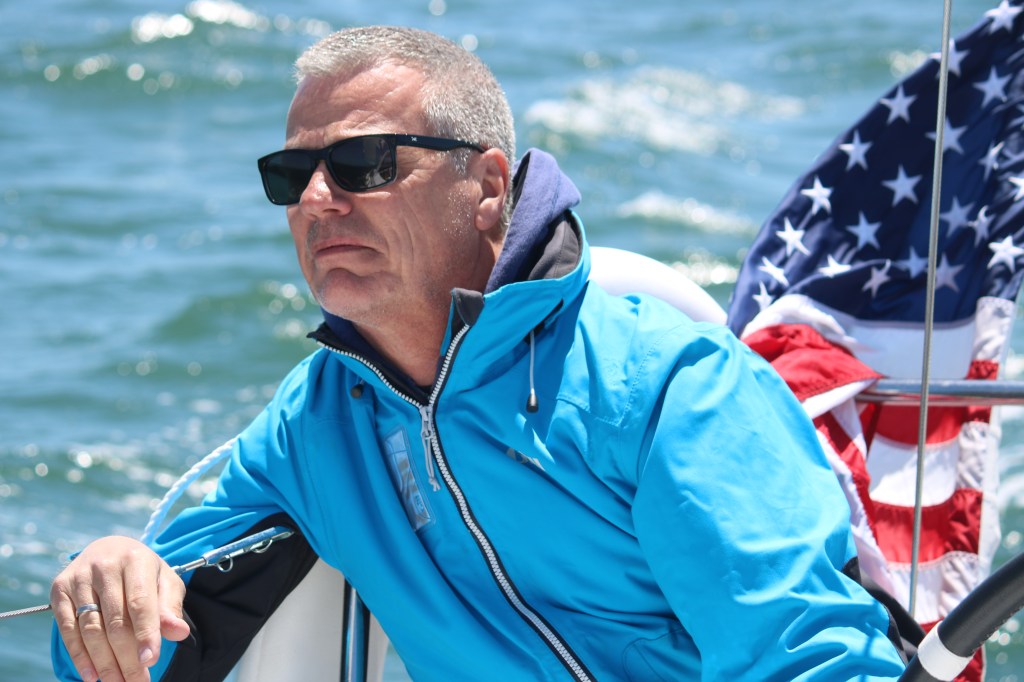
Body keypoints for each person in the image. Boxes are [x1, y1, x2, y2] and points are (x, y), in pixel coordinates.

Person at [50, 26, 908, 681]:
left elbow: (809, 656)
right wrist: (109, 589)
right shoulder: (315, 425)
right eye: (291, 173)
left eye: (363, 163)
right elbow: (140, 659)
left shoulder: (661, 385)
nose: (315, 199)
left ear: (488, 187)